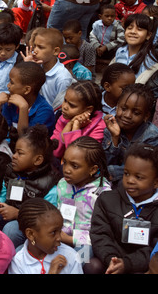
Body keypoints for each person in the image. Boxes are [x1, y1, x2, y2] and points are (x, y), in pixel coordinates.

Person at [90, 143, 158, 274]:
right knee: (92, 265)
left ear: (156, 182)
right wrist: (112, 259)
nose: (130, 180)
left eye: (138, 177)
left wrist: (127, 264)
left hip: (142, 265)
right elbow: (100, 234)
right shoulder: (107, 199)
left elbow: (154, 248)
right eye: (126, 173)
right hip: (111, 259)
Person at [0, 124, 61, 249]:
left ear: (37, 160)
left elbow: (47, 219)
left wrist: (18, 214)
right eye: (14, 151)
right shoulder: (11, 171)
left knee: (11, 228)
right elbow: (3, 195)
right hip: (8, 216)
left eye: (20, 153)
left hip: (30, 228)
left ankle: (4, 257)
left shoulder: (49, 185)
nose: (14, 156)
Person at [52, 136, 111, 273]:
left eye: (74, 166)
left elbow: (103, 233)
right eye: (64, 162)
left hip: (86, 242)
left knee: (82, 256)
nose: (66, 169)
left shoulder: (102, 194)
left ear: (92, 169)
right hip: (59, 236)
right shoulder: (62, 184)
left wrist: (71, 238)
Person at [8, 198, 83, 274]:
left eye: (60, 231)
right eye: (53, 232)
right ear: (31, 234)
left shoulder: (70, 256)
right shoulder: (18, 263)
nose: (59, 238)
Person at [103, 84, 158, 187]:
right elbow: (105, 162)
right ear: (117, 106)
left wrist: (109, 172)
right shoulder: (111, 128)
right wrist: (115, 138)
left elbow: (140, 170)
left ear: (146, 116)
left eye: (136, 113)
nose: (127, 116)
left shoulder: (152, 136)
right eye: (123, 109)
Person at [0, 61, 55, 136]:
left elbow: (25, 140)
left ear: (27, 90)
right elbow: (0, 135)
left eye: (12, 83)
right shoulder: (11, 102)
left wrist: (23, 108)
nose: (8, 85)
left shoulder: (45, 111)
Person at [51, 81, 105, 160]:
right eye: (65, 100)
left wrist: (75, 127)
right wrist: (69, 125)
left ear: (89, 109)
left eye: (72, 105)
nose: (64, 106)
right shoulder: (63, 118)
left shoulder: (99, 127)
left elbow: (75, 157)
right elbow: (54, 151)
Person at [22, 27, 73, 111]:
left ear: (55, 51)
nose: (35, 51)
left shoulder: (62, 77)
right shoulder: (37, 67)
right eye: (35, 46)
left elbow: (60, 107)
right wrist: (29, 67)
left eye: (40, 47)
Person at [113, 13, 158, 78]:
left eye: (139, 29)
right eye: (130, 28)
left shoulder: (149, 58)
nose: (133, 32)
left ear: (148, 35)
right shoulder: (120, 51)